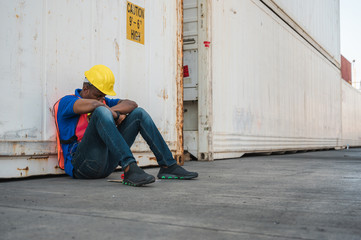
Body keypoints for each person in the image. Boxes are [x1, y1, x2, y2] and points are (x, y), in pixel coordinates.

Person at [54, 65, 198, 186]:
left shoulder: (103, 102)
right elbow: (93, 105)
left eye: (104, 96)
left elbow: (131, 104)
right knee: (100, 111)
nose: (102, 99)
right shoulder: (68, 102)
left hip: (106, 165)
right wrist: (113, 114)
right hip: (82, 166)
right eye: (99, 95)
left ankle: (168, 165)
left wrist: (112, 111)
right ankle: (130, 168)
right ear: (85, 88)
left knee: (139, 114)